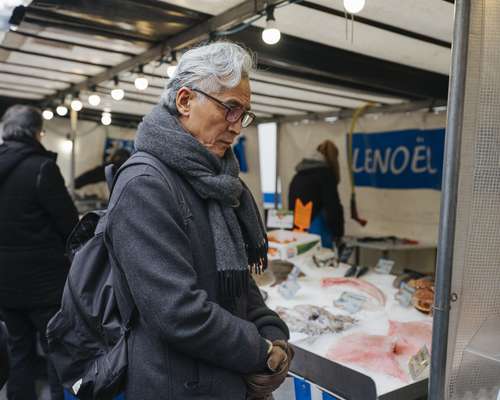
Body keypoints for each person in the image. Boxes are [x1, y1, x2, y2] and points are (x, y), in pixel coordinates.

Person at [105, 41, 292, 400]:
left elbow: (238, 283)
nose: (238, 127)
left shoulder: (218, 182)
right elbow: (177, 312)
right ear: (185, 101)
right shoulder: (145, 185)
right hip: (177, 386)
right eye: (231, 108)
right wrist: (261, 352)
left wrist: (273, 331)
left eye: (245, 114)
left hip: (224, 379)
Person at [0, 105, 78, 400]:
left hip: (5, 283)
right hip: (45, 286)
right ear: (35, 132)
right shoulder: (42, 168)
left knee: (18, 351)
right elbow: (69, 224)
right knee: (58, 353)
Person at [288, 140, 345, 248]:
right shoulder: (326, 175)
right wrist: (338, 234)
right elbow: (333, 207)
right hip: (318, 233)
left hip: (298, 230)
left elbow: (291, 206)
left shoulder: (298, 176)